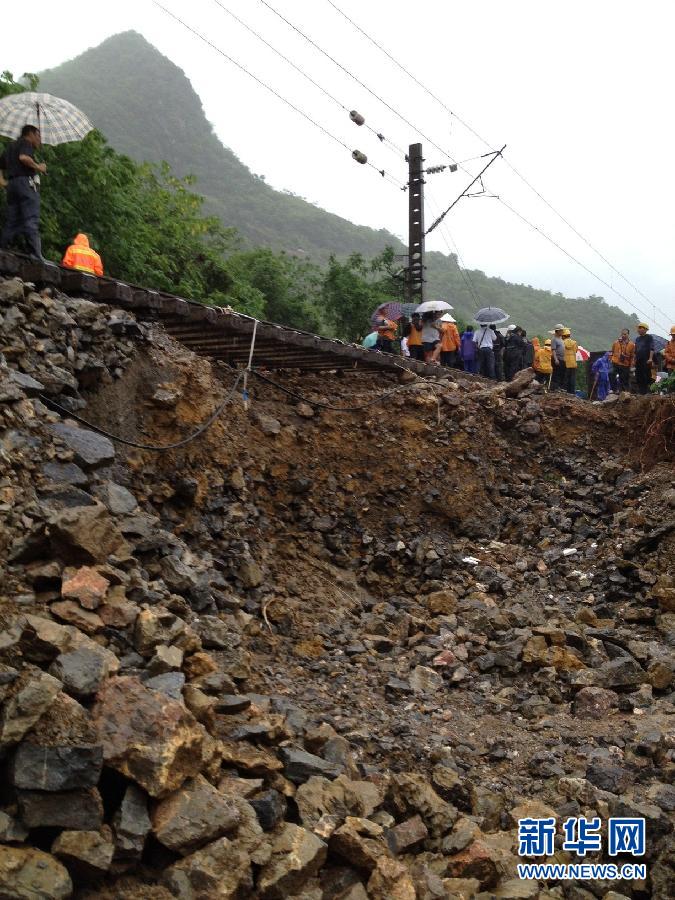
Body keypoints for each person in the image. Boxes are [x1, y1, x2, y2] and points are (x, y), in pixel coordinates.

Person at [0, 125, 46, 260]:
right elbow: (24, 158)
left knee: (13, 220)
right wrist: (39, 167)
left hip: (12, 185)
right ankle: (36, 255)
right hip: (26, 183)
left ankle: (2, 248)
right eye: (38, 135)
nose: (39, 139)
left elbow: (0, 165)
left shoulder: (11, 146)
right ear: (30, 134)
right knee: (31, 219)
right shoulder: (26, 143)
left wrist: (2, 181)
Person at [610, 328, 635, 393]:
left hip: (625, 364)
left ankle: (624, 393)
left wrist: (631, 365)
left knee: (623, 379)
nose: (623, 335)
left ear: (628, 335)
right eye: (622, 334)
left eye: (625, 334)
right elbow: (611, 352)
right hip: (615, 362)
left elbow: (632, 356)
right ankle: (614, 389)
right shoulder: (616, 342)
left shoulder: (631, 344)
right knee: (611, 373)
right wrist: (611, 359)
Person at [634, 323, 654, 395]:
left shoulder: (649, 337)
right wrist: (634, 359)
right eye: (638, 328)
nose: (638, 329)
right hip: (638, 360)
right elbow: (636, 350)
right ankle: (641, 391)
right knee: (638, 376)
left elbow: (652, 348)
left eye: (640, 328)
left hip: (646, 360)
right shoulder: (637, 339)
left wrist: (650, 358)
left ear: (645, 329)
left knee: (646, 375)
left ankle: (648, 391)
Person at [549, 324, 566, 391]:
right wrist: (555, 359)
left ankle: (560, 387)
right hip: (557, 359)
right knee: (556, 374)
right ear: (557, 331)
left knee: (562, 373)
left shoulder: (561, 339)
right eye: (561, 330)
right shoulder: (554, 339)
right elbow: (553, 350)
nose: (562, 332)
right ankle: (554, 388)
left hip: (562, 359)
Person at [562, 327, 578, 394]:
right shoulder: (575, 343)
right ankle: (572, 392)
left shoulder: (562, 343)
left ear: (563, 336)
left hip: (565, 362)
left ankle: (565, 391)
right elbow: (576, 351)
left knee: (565, 378)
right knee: (572, 379)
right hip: (573, 363)